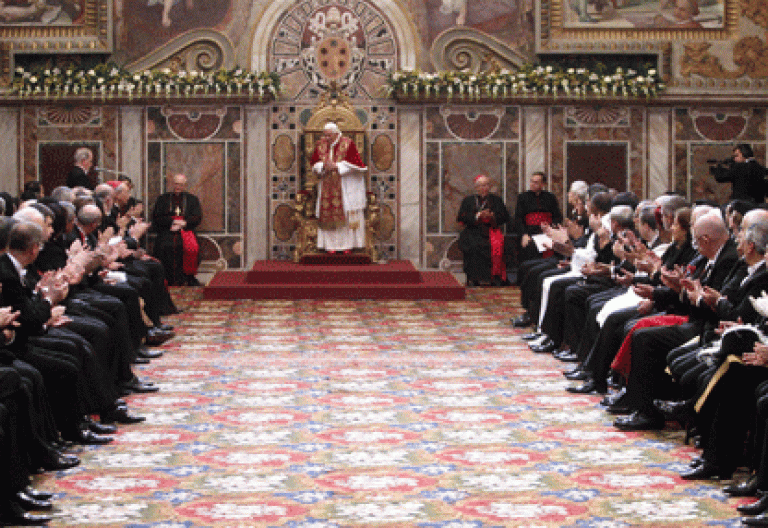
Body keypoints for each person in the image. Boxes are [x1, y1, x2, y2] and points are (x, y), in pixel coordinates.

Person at [311, 122, 368, 253]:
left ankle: (347, 246)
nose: (327, 138)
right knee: (328, 213)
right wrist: (323, 166)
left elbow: (357, 165)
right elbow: (314, 163)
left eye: (329, 135)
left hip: (345, 186)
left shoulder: (348, 143)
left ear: (337, 133)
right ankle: (330, 246)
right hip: (326, 183)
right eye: (325, 135)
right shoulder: (321, 144)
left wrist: (337, 167)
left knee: (347, 214)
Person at [457, 174, 511, 287]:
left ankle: (494, 278)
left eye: (486, 185)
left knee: (494, 246)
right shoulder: (468, 200)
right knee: (473, 246)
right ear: (476, 187)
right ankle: (473, 278)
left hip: (491, 230)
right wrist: (477, 216)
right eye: (481, 185)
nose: (484, 188)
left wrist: (492, 216)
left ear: (490, 186)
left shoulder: (496, 200)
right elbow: (461, 218)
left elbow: (505, 217)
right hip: (473, 231)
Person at [151, 173, 202, 286]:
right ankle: (166, 277)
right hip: (167, 230)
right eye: (176, 184)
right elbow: (157, 217)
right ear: (172, 184)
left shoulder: (192, 199)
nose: (178, 187)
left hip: (186, 230)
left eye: (181, 184)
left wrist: (183, 223)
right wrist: (172, 222)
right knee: (165, 246)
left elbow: (197, 217)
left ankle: (188, 277)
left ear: (185, 185)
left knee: (191, 248)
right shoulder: (163, 199)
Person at [512, 172, 563, 266]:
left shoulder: (550, 197)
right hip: (529, 232)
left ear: (543, 184)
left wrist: (551, 230)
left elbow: (557, 217)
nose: (532, 184)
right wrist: (524, 234)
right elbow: (518, 219)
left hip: (547, 232)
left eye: (535, 182)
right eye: (531, 181)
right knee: (529, 247)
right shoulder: (522, 197)